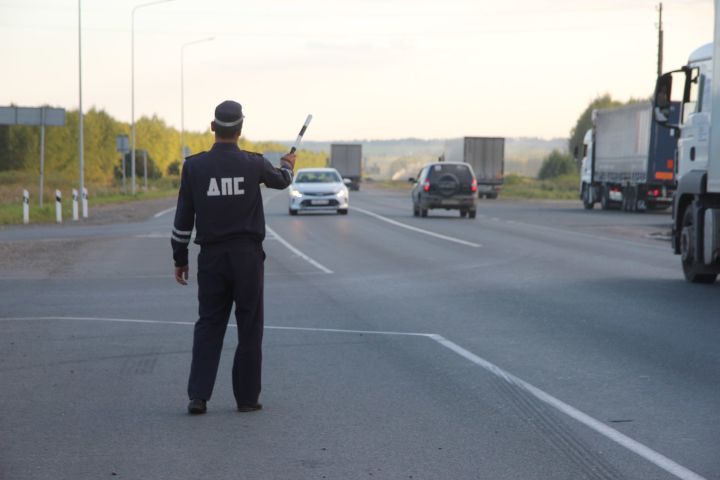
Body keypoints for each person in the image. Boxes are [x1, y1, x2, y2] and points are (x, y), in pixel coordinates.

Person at [171, 100, 296, 415]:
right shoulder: (253, 164)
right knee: (249, 325)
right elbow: (282, 180)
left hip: (211, 258)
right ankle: (247, 398)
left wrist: (180, 257)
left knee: (209, 323)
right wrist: (288, 164)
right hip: (247, 258)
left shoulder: (195, 167)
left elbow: (183, 218)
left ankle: (198, 396)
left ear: (213, 127)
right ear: (241, 129)